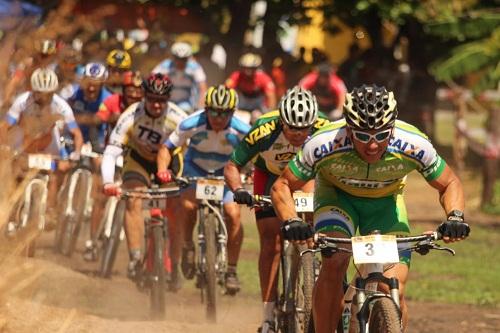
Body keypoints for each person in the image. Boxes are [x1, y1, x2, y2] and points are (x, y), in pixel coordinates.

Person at [270, 84, 471, 333]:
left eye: (381, 134)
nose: (373, 145)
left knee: (393, 285)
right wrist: (292, 220)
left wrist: (455, 216)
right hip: (338, 199)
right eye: (363, 136)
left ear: (393, 128)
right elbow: (283, 184)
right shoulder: (324, 143)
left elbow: (449, 182)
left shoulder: (414, 143)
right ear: (349, 129)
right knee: (336, 260)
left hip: (386, 204)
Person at [224, 86, 330, 332]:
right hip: (269, 177)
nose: (298, 134)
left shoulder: (325, 129)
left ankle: (316, 280)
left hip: (306, 179)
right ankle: (269, 315)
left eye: (304, 128)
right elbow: (233, 165)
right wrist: (239, 188)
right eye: (292, 127)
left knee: (317, 231)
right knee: (271, 240)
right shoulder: (263, 129)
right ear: (282, 121)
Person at [157, 85, 250, 293]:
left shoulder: (243, 130)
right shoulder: (190, 123)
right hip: (195, 169)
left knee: (233, 214)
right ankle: (188, 245)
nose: (218, 117)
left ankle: (232, 270)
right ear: (206, 109)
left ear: (232, 113)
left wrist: (251, 171)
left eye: (224, 113)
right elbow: (167, 147)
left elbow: (257, 155)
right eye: (214, 111)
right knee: (188, 207)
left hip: (225, 172)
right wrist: (163, 169)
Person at [101, 73, 187, 290]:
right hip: (138, 159)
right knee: (134, 199)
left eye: (162, 100)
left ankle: (174, 264)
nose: (157, 105)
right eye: (152, 99)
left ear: (168, 99)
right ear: (143, 96)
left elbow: (195, 145)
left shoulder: (178, 117)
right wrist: (108, 182)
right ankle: (135, 257)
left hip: (168, 162)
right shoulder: (131, 115)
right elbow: (112, 151)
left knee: (177, 208)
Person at [0, 68, 83, 222]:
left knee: (57, 173)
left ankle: (50, 208)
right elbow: (5, 126)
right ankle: (10, 210)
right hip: (27, 144)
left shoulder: (61, 106)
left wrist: (75, 154)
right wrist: (4, 146)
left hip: (51, 147)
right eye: (40, 93)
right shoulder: (22, 101)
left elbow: (76, 133)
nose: (44, 98)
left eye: (48, 94)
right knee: (15, 169)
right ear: (33, 91)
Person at [153, 42, 207, 113]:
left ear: (188, 58)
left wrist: (201, 107)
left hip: (185, 103)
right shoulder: (166, 65)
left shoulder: (194, 67)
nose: (180, 62)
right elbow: (152, 80)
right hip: (167, 101)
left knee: (185, 111)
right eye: (177, 59)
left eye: (184, 59)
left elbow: (203, 88)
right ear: (173, 57)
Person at [225, 52, 277, 123]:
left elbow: (271, 97)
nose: (248, 71)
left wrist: (270, 116)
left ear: (256, 68)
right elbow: (226, 90)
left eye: (251, 68)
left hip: (258, 107)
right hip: (241, 105)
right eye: (245, 68)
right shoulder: (236, 76)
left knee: (257, 118)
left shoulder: (263, 78)